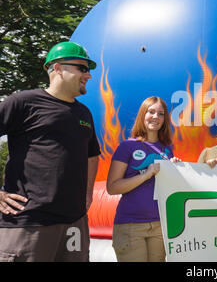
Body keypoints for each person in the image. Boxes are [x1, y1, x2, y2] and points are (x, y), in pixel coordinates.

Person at [0, 41, 100, 262]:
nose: (88, 76)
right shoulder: (23, 102)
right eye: (82, 68)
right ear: (57, 68)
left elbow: (92, 155)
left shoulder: (84, 113)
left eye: (89, 70)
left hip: (75, 223)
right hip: (29, 221)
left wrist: (88, 194)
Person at [106, 96, 181, 262]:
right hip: (131, 225)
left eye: (161, 114)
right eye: (151, 112)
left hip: (159, 225)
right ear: (142, 114)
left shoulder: (167, 149)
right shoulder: (127, 146)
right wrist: (147, 174)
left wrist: (176, 169)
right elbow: (112, 187)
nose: (155, 117)